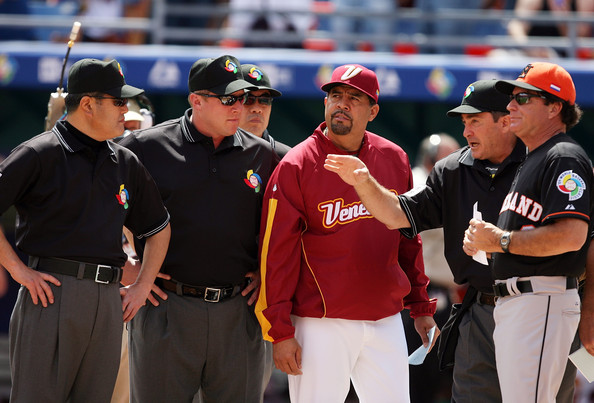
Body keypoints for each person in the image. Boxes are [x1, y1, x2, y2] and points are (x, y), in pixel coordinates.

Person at [325, 79, 521, 403]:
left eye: (476, 120)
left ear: (505, 120)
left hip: (533, 300)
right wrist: (363, 181)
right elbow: (401, 216)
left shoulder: (541, 163)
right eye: (464, 122)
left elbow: (575, 238)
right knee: (443, 389)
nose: (467, 130)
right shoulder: (452, 170)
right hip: (472, 304)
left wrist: (501, 241)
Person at [255, 63, 438, 403]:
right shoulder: (297, 164)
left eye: (355, 98)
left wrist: (421, 307)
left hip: (384, 316)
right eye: (335, 95)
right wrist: (280, 330)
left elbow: (408, 240)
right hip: (321, 321)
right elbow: (276, 253)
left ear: (373, 110)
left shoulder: (393, 158)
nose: (342, 103)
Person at [0, 58, 171, 402]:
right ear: (88, 104)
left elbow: (159, 228)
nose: (127, 109)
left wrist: (142, 285)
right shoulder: (39, 152)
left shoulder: (125, 161)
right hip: (51, 292)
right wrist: (18, 270)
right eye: (119, 101)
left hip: (109, 300)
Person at [118, 54, 280, 403]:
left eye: (242, 97)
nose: (239, 107)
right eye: (228, 99)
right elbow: (92, 203)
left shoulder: (267, 155)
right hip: (166, 308)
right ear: (196, 101)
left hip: (239, 311)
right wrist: (124, 260)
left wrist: (270, 273)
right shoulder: (145, 147)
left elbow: (296, 223)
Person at [462, 62, 591, 403]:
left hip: (542, 298)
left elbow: (573, 235)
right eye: (512, 98)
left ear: (554, 107)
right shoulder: (535, 158)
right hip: (521, 303)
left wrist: (500, 240)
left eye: (523, 98)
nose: (511, 105)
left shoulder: (563, 156)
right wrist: (487, 241)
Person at [405, 132, 460, 403]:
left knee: (435, 371)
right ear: (431, 160)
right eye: (451, 157)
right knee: (421, 373)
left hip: (436, 293)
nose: (461, 163)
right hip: (420, 294)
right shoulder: (419, 184)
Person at [239, 63, 291, 158]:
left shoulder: (286, 158)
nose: (257, 109)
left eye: (264, 100)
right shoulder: (214, 153)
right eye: (248, 99)